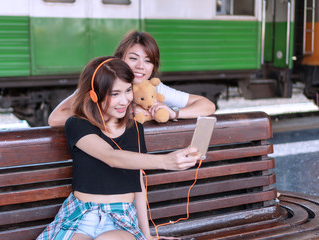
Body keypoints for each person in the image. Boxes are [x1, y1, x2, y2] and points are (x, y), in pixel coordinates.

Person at [36, 56, 200, 240]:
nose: (124, 101)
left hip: (121, 218)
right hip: (81, 215)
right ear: (94, 94)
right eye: (115, 94)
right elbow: (110, 156)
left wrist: (147, 236)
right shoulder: (77, 124)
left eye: (128, 90)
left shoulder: (135, 129)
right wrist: (166, 160)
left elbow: (138, 184)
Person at [48, 31, 215, 126]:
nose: (140, 66)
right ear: (120, 59)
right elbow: (55, 118)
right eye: (133, 58)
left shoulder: (154, 89)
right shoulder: (102, 80)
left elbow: (207, 105)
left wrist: (174, 113)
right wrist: (117, 116)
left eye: (148, 60)